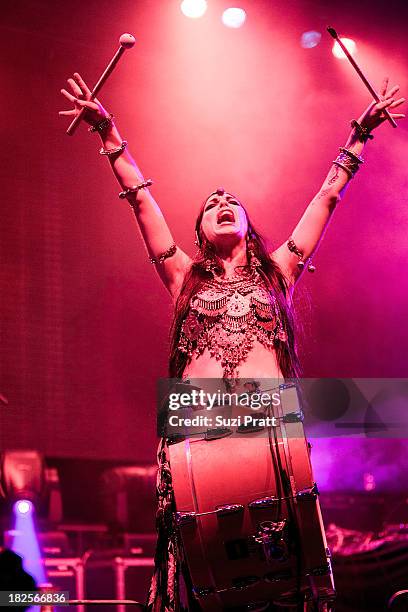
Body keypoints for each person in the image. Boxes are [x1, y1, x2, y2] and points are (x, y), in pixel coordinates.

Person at [60, 74, 404, 611]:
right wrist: (108, 132)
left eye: (232, 200)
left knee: (279, 581)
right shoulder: (182, 276)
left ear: (246, 223)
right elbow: (140, 202)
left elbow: (328, 197)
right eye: (211, 202)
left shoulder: (278, 273)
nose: (222, 202)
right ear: (199, 229)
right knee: (203, 585)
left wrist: (360, 133)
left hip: (269, 436)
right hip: (201, 436)